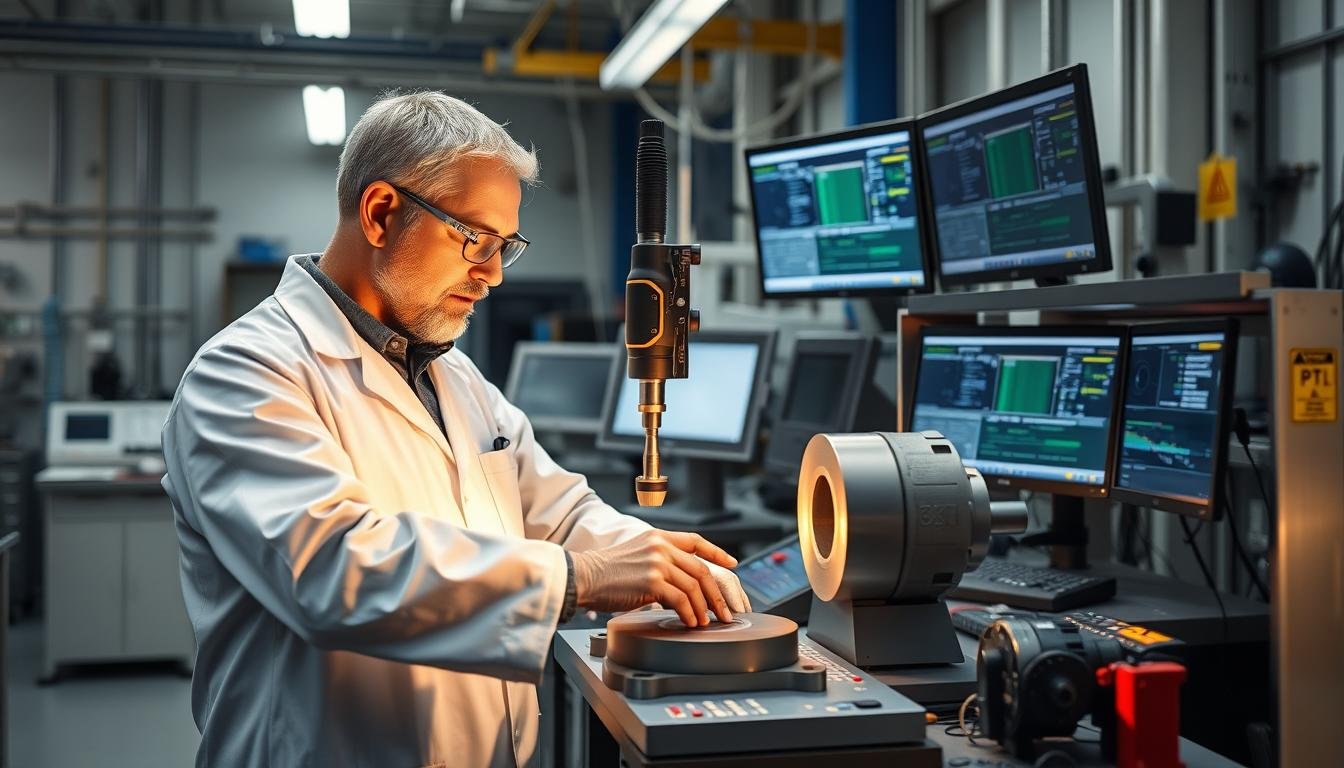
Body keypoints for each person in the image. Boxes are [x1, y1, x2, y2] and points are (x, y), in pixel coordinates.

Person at [161, 91, 751, 768]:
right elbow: (335, 572)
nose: (494, 273)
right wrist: (583, 577)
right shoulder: (246, 374)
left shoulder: (455, 376)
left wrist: (657, 559)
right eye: (476, 238)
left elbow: (557, 511)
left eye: (507, 246)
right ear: (381, 212)